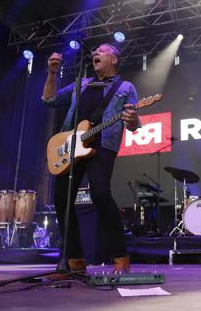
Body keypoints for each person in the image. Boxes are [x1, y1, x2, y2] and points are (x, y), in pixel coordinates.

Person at [41, 43, 140, 273]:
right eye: (95, 51)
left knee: (100, 194)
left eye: (102, 51)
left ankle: (121, 258)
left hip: (102, 145)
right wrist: (52, 73)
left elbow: (134, 125)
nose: (96, 53)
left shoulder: (125, 87)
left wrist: (133, 119)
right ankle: (74, 260)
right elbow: (49, 99)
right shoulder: (81, 84)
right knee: (62, 200)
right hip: (70, 146)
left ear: (114, 59)